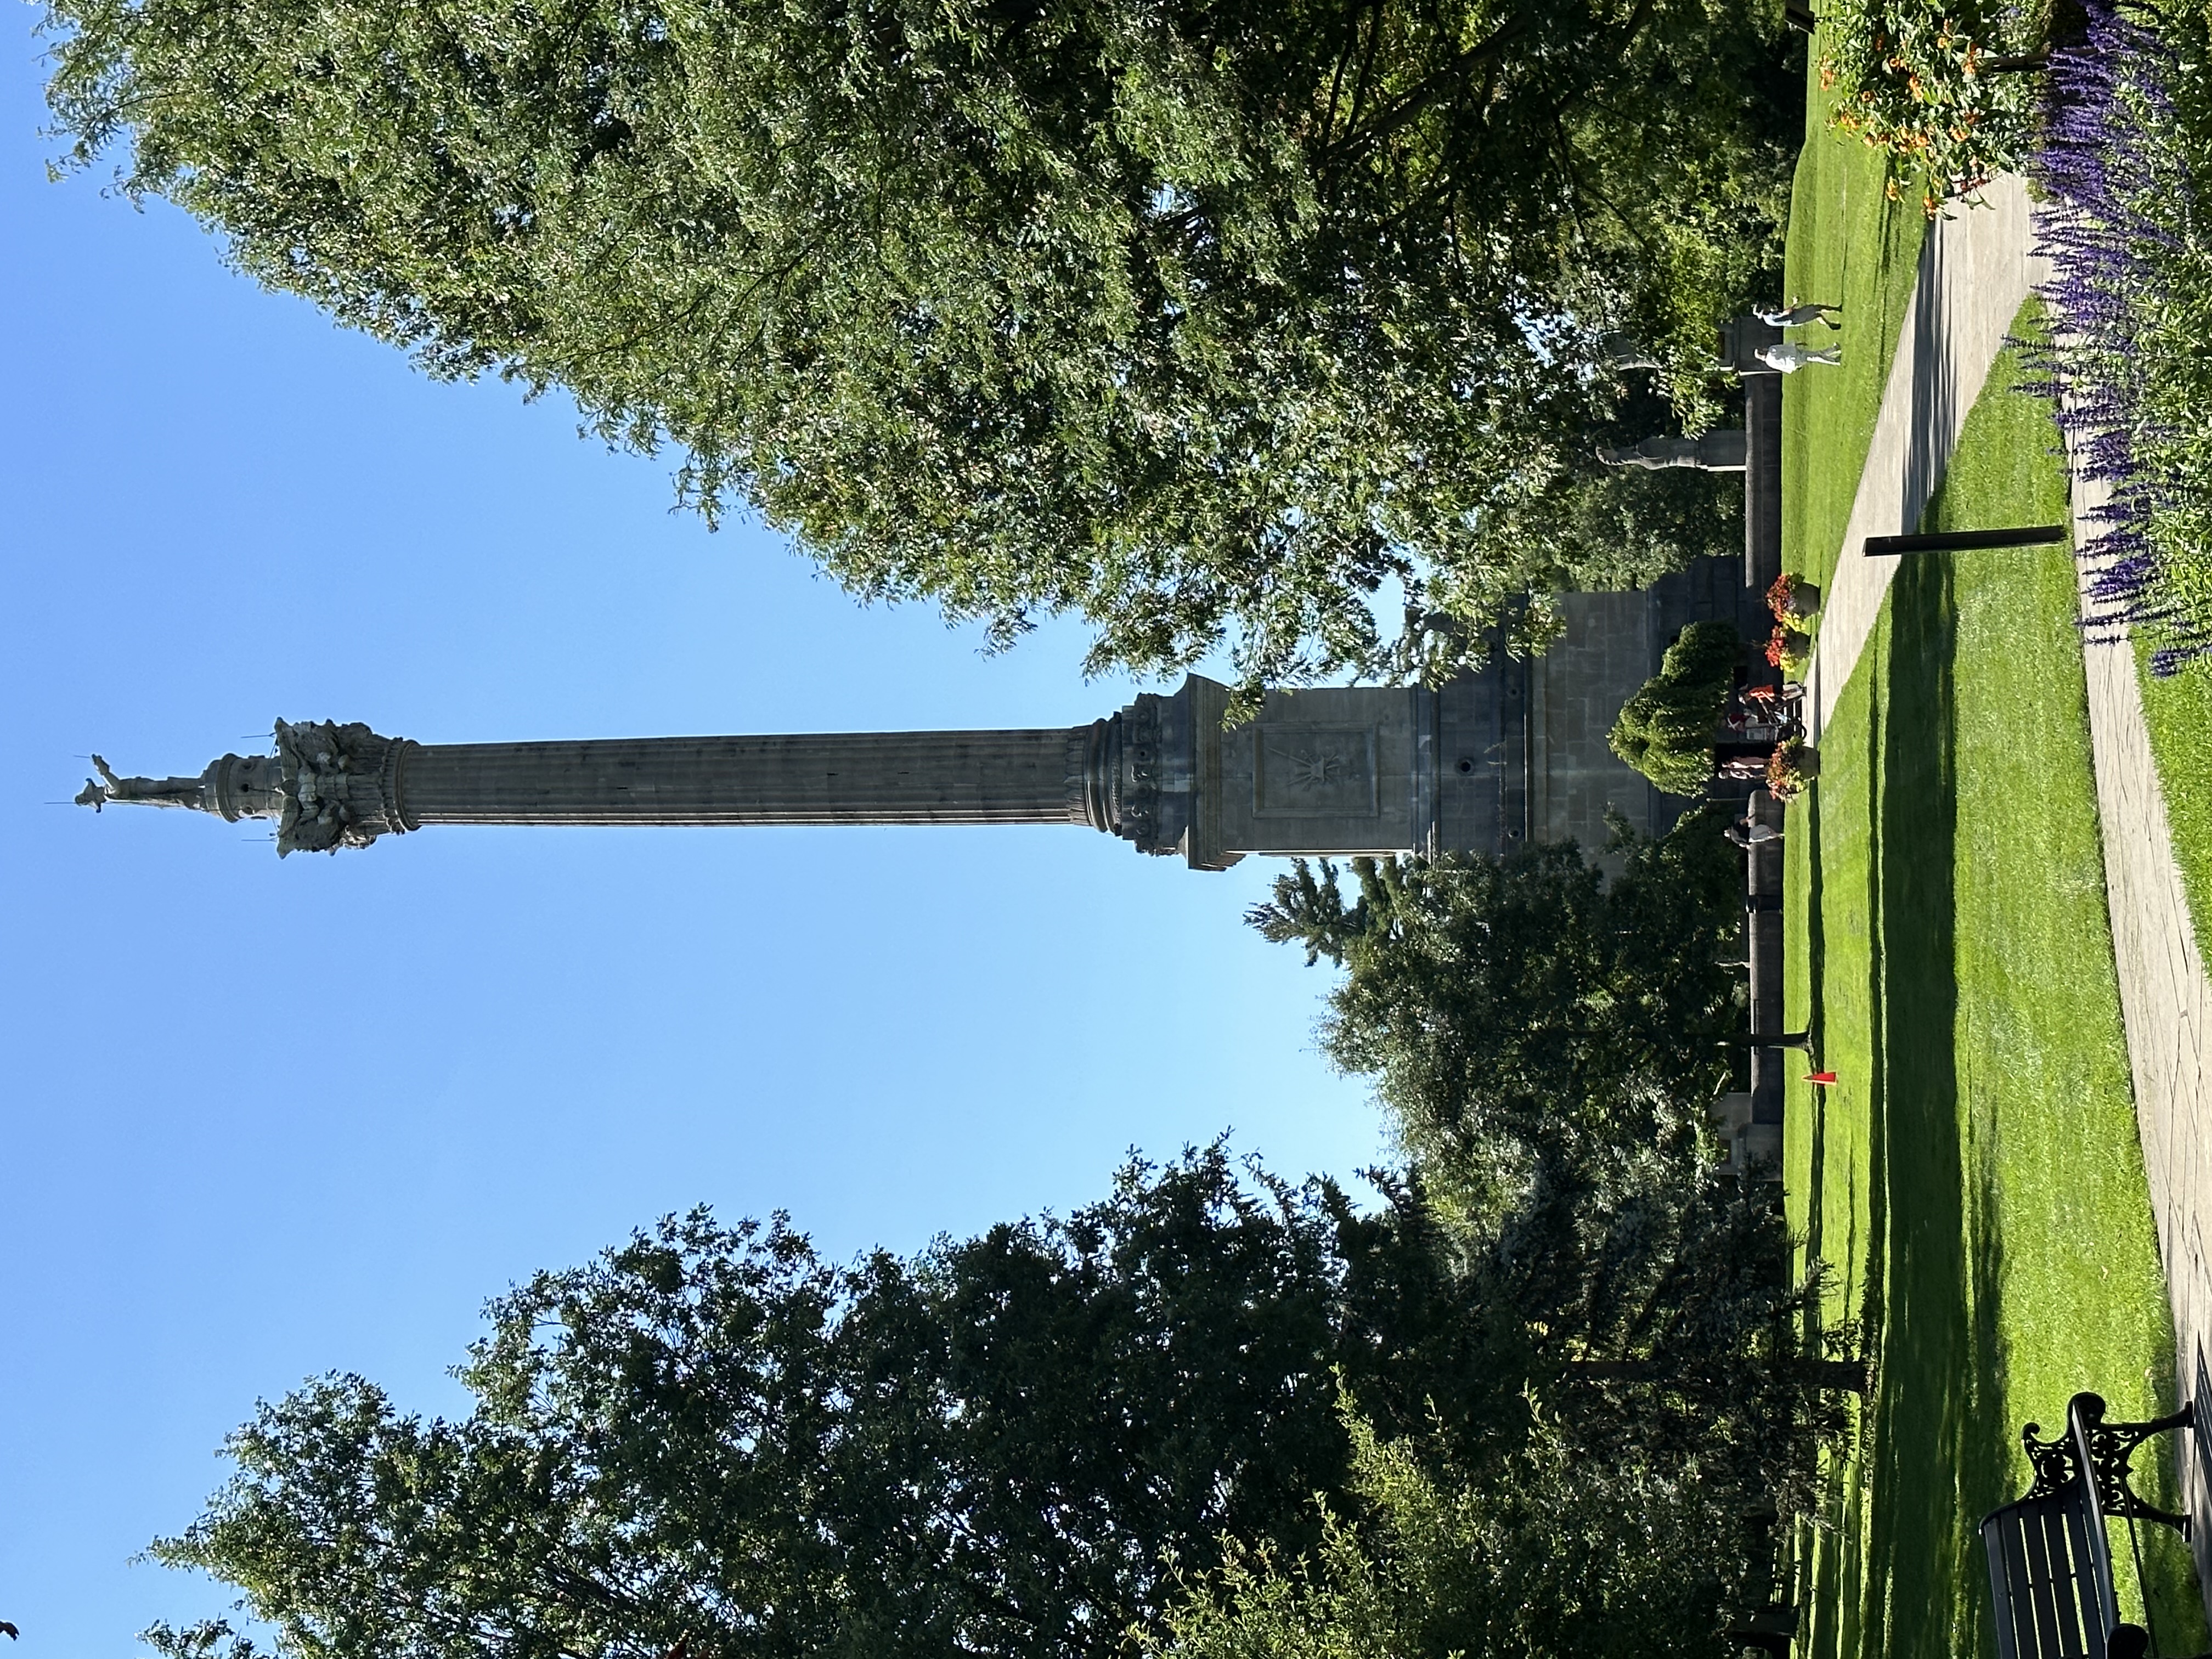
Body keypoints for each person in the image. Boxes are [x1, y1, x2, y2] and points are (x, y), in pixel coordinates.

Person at [1758, 342, 1842, 373]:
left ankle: (1835, 349)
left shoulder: (1769, 363)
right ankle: (1835, 361)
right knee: (1816, 357)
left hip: (1794, 364)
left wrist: (1792, 368)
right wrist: (1798, 344)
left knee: (1816, 354)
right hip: (1796, 356)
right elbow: (1784, 347)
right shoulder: (1772, 350)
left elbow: (1781, 368)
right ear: (1763, 352)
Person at [1755, 301, 1843, 329]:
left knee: (1817, 315)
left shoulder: (1767, 321)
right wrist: (1794, 303)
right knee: (1817, 308)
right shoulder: (1771, 315)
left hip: (1794, 322)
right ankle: (1837, 309)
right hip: (1796, 316)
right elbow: (1787, 313)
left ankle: (1831, 324)